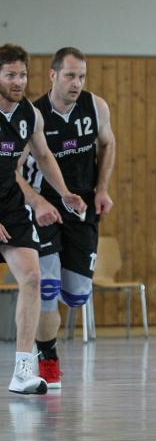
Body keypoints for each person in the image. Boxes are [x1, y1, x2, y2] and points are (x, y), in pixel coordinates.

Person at [15, 47, 116, 390]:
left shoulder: (96, 107)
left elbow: (108, 144)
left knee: (75, 294)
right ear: (53, 75)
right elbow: (12, 170)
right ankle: (47, 355)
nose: (77, 83)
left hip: (81, 208)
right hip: (43, 210)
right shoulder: (34, 114)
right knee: (47, 286)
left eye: (82, 76)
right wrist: (38, 201)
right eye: (70, 75)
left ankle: (49, 316)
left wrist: (102, 189)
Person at [0, 43, 86, 394]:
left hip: (10, 204)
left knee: (33, 277)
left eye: (22, 74)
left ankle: (22, 370)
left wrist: (64, 192)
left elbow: (45, 156)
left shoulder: (28, 115)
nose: (18, 81)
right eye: (10, 75)